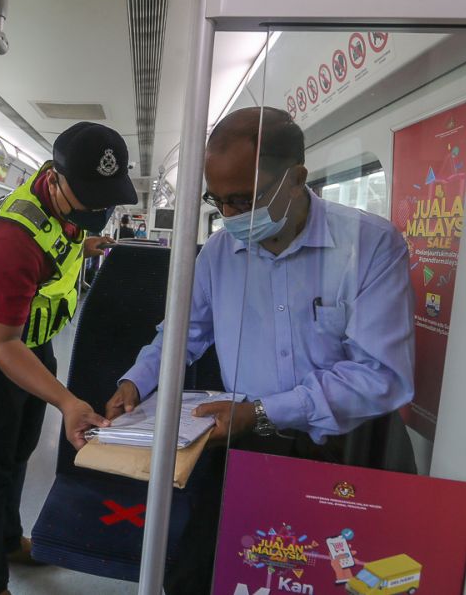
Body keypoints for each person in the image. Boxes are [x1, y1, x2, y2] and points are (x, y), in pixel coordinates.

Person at [105, 106, 416, 594]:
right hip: (250, 442)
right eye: (218, 201)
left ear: (296, 179)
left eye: (243, 200)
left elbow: (381, 375)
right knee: (199, 576)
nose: (229, 215)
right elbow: (183, 333)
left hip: (346, 443)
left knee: (337, 578)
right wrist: (136, 381)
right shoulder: (217, 254)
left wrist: (263, 412)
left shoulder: (371, 245)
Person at [0, 121, 138, 595]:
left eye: (107, 198)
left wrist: (85, 244)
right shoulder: (12, 238)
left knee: (18, 452)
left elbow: (57, 240)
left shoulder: (63, 205)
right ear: (55, 177)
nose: (99, 209)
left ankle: (8, 541)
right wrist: (67, 401)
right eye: (90, 198)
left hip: (33, 340)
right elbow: (3, 345)